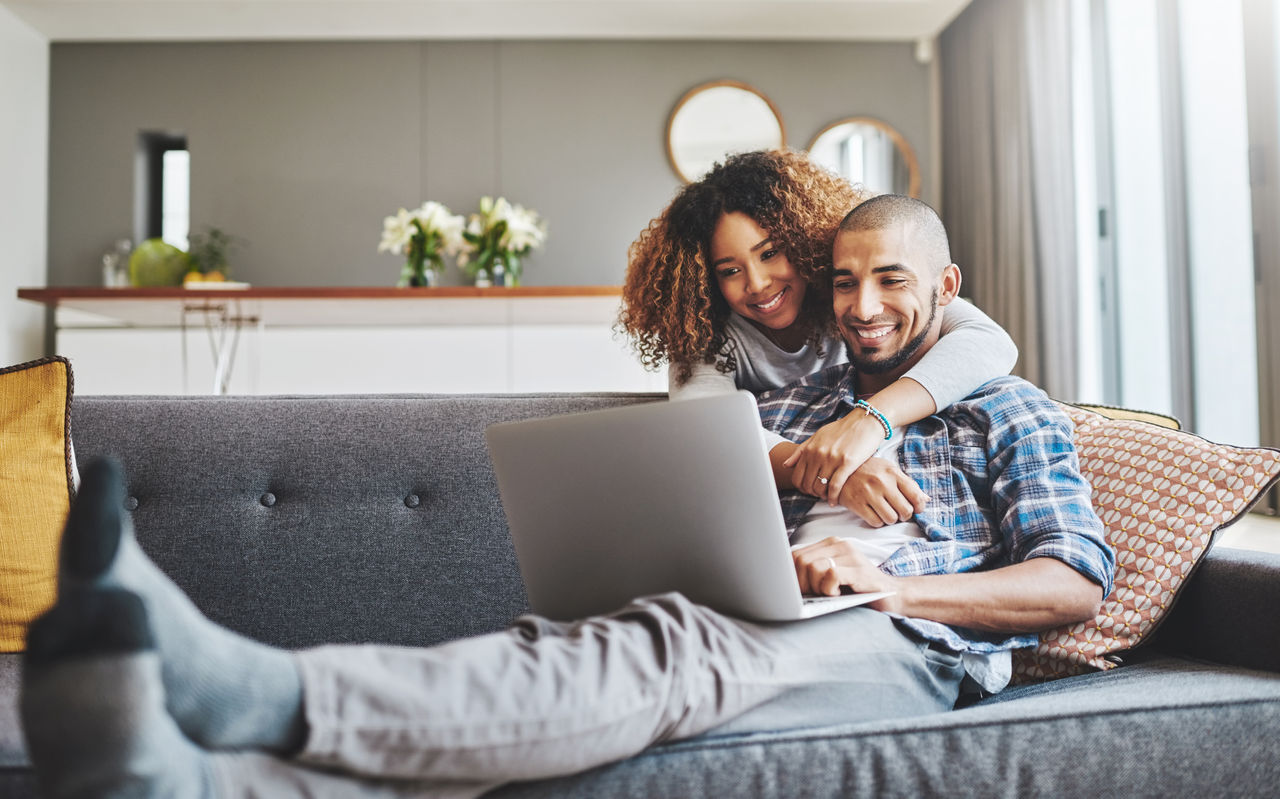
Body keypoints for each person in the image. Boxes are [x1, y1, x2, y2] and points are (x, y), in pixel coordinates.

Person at [21, 196, 1114, 799]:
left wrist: (890, 587)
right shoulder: (788, 396)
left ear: (943, 289)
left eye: (890, 280)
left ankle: (263, 686)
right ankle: (195, 784)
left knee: (667, 650)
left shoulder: (998, 405)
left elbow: (1072, 583)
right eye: (844, 279)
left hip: (901, 643)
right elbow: (707, 476)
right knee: (570, 686)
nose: (863, 303)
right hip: (761, 613)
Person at [620, 150, 1018, 515]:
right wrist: (828, 472)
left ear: (804, 241)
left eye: (770, 253)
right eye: (729, 271)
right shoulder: (703, 332)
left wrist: (870, 419)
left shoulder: (854, 294)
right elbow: (704, 429)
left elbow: (990, 343)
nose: (757, 283)